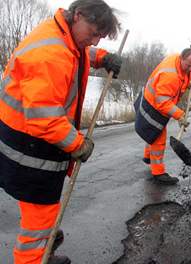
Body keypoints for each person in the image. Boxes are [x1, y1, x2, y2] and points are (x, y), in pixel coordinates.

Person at [0, 0, 122, 263]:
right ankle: (33, 259)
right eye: (94, 33)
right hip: (31, 145)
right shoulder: (51, 55)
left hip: (26, 136)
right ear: (78, 15)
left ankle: (42, 250)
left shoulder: (62, 36)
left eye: (100, 37)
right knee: (39, 219)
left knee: (41, 211)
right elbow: (46, 119)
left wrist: (103, 59)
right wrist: (78, 145)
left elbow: (81, 53)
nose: (96, 41)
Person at [135, 48, 191, 185]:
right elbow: (162, 101)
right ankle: (158, 173)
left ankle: (148, 157)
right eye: (189, 66)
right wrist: (180, 115)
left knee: (152, 131)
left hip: (155, 99)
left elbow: (182, 78)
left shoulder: (180, 62)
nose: (190, 69)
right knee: (158, 136)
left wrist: (188, 83)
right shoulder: (170, 75)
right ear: (182, 58)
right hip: (153, 105)